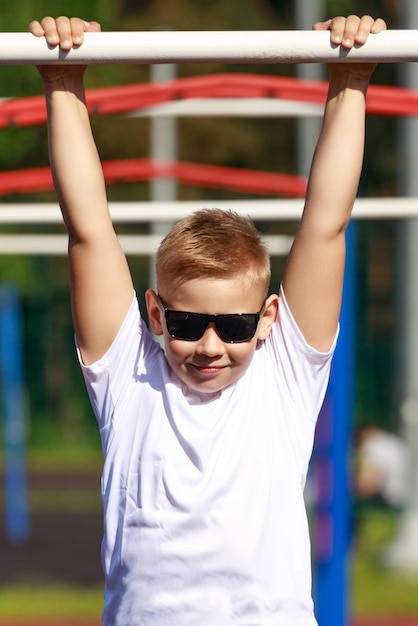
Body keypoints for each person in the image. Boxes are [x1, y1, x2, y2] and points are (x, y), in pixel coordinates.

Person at [29, 14, 386, 626]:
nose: (210, 345)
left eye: (235, 327)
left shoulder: (285, 378)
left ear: (269, 317)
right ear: (155, 312)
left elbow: (326, 224)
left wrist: (351, 76)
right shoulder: (129, 376)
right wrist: (64, 78)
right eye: (189, 324)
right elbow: (88, 228)